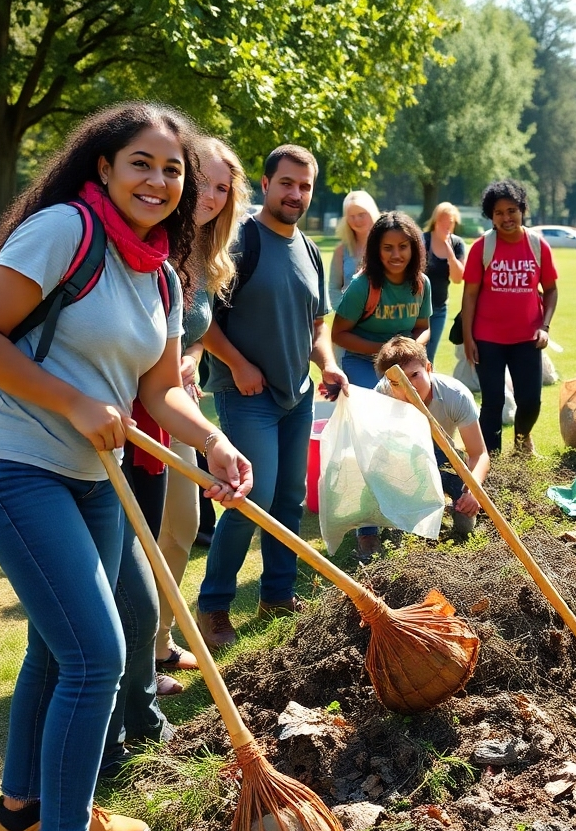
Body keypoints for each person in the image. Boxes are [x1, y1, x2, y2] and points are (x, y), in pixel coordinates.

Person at [0, 103, 253, 831]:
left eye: (172, 169)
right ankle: (71, 824)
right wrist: (76, 402)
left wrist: (213, 442)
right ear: (103, 168)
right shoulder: (65, 231)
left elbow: (161, 389)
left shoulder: (159, 272)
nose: (157, 180)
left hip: (93, 475)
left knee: (56, 654)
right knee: (98, 656)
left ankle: (21, 816)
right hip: (5, 458)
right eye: (140, 164)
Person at [198, 144, 347, 650]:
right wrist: (238, 364)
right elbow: (203, 318)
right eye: (287, 183)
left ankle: (277, 594)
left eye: (305, 186)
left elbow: (317, 323)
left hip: (297, 395)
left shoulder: (309, 249)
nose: (296, 194)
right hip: (246, 397)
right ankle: (214, 605)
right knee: (250, 499)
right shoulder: (240, 240)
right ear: (265, 184)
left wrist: (326, 361)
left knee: (288, 498)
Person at [154, 137, 249, 681]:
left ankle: (158, 642)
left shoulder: (201, 253)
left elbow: (194, 326)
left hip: (180, 404)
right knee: (148, 531)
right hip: (141, 409)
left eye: (222, 187)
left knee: (184, 526)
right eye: (203, 181)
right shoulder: (153, 240)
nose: (211, 196)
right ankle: (135, 652)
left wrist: (191, 354)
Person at [332, 210, 432, 561]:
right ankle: (367, 531)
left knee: (402, 445)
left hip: (404, 371)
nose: (396, 254)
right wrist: (385, 353)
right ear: (375, 249)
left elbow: (423, 325)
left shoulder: (421, 283)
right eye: (387, 247)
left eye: (403, 246)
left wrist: (411, 351)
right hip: (363, 368)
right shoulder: (363, 286)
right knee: (370, 448)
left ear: (414, 248)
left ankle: (399, 517)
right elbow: (338, 333)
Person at [461, 179, 558, 457]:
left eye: (512, 210)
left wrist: (545, 326)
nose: (506, 218)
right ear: (491, 216)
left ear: (522, 210)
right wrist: (468, 338)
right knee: (492, 402)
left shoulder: (538, 246)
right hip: (487, 338)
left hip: (527, 338)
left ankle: (521, 442)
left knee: (531, 401)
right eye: (499, 212)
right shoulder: (482, 247)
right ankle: (489, 462)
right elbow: (469, 296)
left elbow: (550, 290)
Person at [374, 336, 487, 536]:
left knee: (465, 526)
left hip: (446, 454)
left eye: (414, 375)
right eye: (397, 382)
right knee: (395, 532)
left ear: (428, 368)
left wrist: (473, 491)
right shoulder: (382, 396)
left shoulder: (456, 395)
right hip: (404, 457)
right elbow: (378, 456)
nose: (409, 387)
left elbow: (479, 454)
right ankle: (372, 533)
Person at [423, 202, 466, 362]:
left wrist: (450, 254)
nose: (447, 226)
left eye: (451, 222)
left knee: (429, 355)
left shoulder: (457, 244)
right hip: (418, 308)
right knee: (415, 352)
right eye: (443, 221)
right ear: (435, 221)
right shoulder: (423, 240)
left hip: (439, 309)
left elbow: (457, 278)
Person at [328, 190, 380, 308]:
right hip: (351, 319)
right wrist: (344, 312)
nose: (357, 220)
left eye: (361, 214)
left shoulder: (386, 246)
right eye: (352, 216)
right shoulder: (341, 251)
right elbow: (334, 288)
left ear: (371, 213)